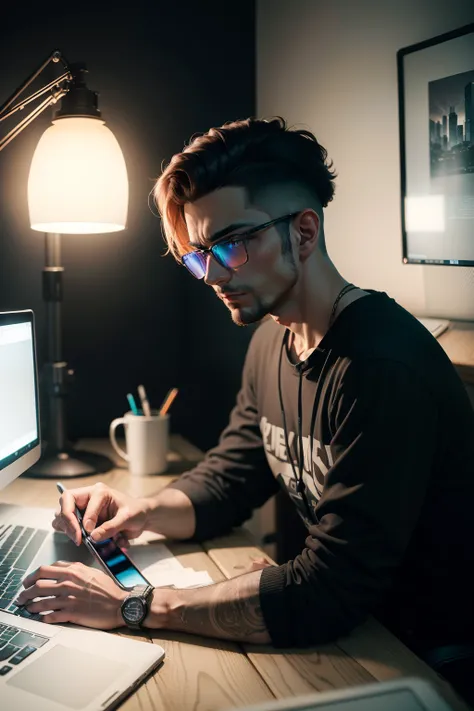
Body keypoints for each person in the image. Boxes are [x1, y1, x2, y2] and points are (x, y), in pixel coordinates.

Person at [17, 117, 474, 659]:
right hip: (353, 632)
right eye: (198, 254)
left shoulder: (380, 366)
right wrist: (138, 511)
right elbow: (232, 479)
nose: (212, 274)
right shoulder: (271, 339)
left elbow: (331, 589)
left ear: (303, 232)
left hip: (425, 653)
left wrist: (131, 605)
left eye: (231, 244)